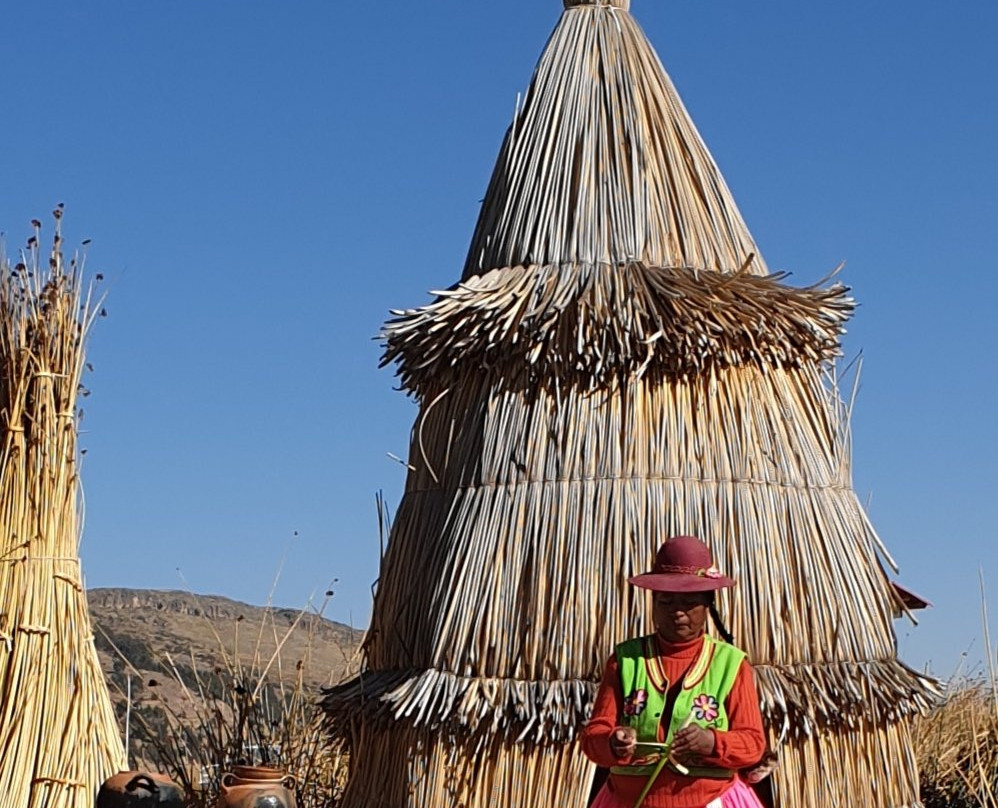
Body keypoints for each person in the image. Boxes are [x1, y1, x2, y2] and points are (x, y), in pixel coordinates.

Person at [581, 535, 769, 808]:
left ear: (707, 606)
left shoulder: (731, 664)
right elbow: (592, 736)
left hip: (709, 801)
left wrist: (711, 742)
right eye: (666, 603)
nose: (677, 613)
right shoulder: (624, 661)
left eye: (689, 603)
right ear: (653, 604)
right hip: (629, 801)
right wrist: (612, 741)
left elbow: (753, 744)